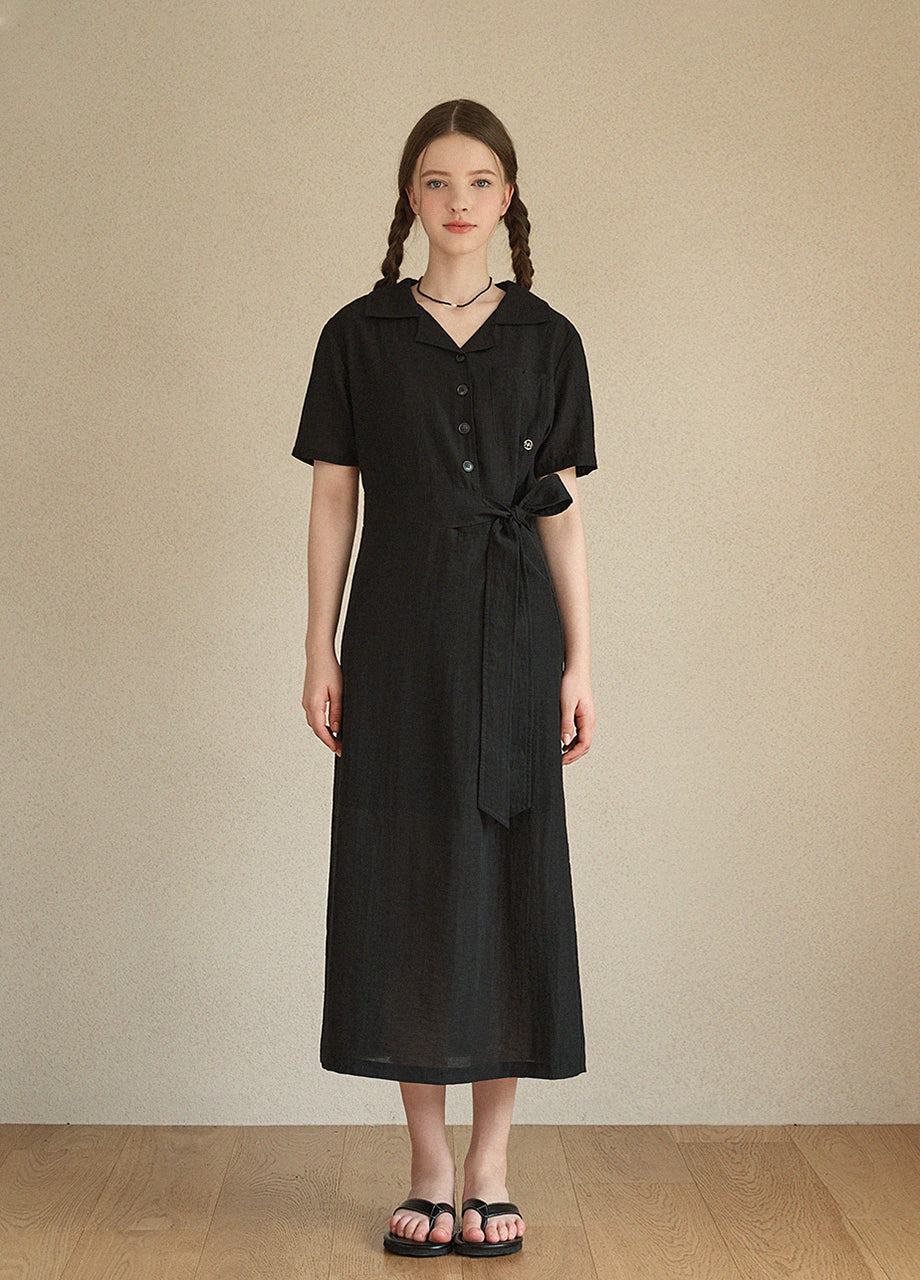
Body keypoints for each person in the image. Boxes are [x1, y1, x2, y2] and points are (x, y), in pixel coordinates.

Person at [292, 98, 598, 1259]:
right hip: (396, 636)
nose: (457, 201)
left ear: (507, 197)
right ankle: (426, 1164)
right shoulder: (357, 335)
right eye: (435, 181)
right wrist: (317, 645)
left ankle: (490, 1166)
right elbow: (333, 496)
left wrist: (581, 660)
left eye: (477, 182)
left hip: (514, 636)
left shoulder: (549, 339)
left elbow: (561, 513)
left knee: (508, 882)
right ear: (408, 197)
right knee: (405, 881)